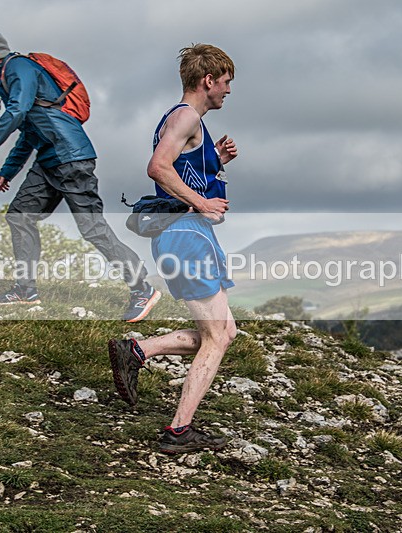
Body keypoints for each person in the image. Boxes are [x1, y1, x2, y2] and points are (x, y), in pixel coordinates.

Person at [0, 29, 160, 322]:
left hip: (71, 159)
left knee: (92, 228)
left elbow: (18, 112)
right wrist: (8, 170)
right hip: (48, 160)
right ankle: (24, 289)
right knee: (19, 216)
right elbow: (29, 130)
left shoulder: (19, 67)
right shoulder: (4, 79)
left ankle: (142, 288)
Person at [108, 44, 239, 454]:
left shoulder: (188, 123)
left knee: (224, 332)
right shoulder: (186, 116)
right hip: (185, 234)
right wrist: (201, 203)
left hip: (188, 234)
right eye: (226, 82)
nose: (228, 91)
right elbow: (158, 167)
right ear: (208, 80)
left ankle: (138, 350)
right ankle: (179, 431)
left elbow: (181, 170)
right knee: (216, 335)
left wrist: (213, 162)